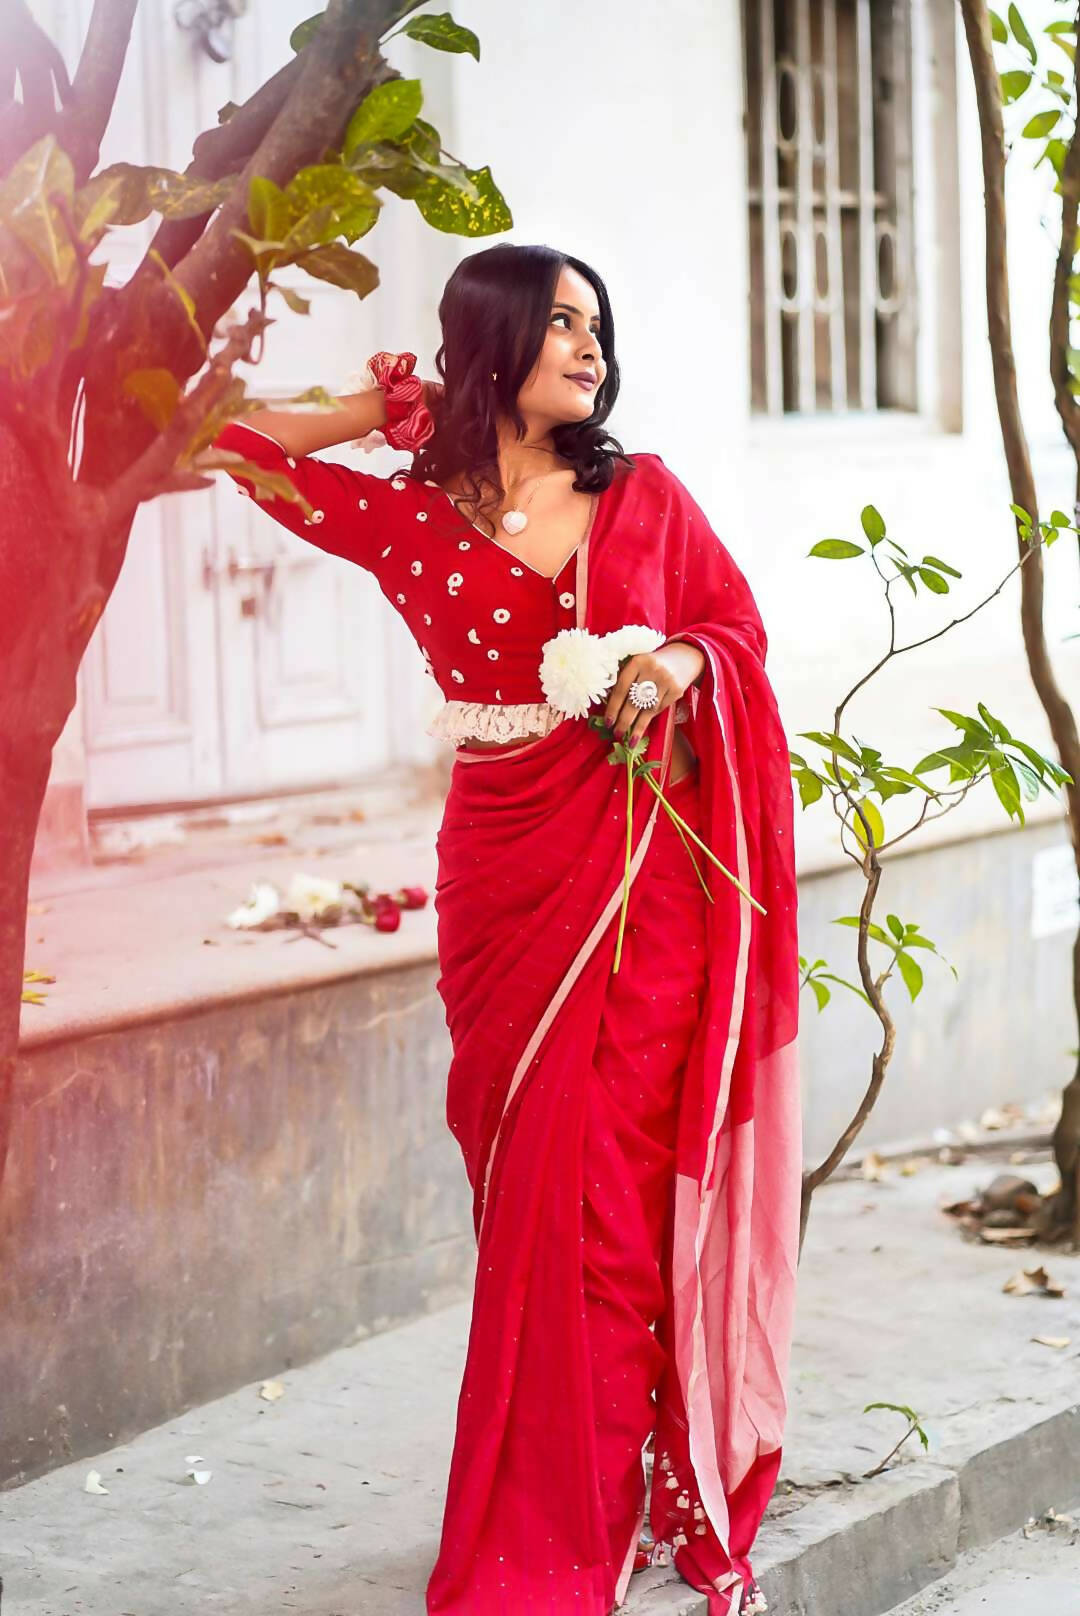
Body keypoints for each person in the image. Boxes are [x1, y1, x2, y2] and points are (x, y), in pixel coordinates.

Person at [214, 243, 802, 1616]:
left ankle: (619, 1490)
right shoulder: (407, 521)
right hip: (507, 876)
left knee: (613, 1196)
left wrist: (666, 663)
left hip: (646, 878)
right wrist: (387, 409)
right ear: (492, 343)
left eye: (599, 324)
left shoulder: (640, 496)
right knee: (538, 1189)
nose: (590, 348)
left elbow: (735, 631)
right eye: (558, 324)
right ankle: (560, 1503)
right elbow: (227, 447)